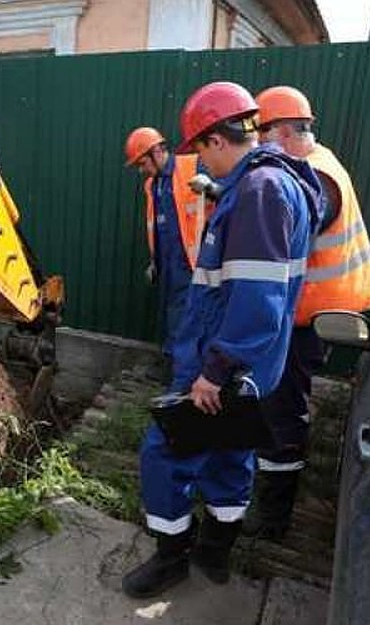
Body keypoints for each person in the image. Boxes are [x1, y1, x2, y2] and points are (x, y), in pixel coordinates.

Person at [122, 82, 324, 598]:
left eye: (200, 153)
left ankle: (172, 559)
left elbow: (257, 298)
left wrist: (214, 370)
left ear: (216, 138)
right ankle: (215, 554)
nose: (201, 166)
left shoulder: (258, 192)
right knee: (231, 454)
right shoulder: (272, 184)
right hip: (251, 366)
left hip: (222, 362)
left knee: (165, 453)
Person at [248, 85, 370, 539]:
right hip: (317, 313)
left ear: (283, 132)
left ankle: (272, 518)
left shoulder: (314, 179)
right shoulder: (318, 162)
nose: (255, 144)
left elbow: (292, 225)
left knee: (282, 411)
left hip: (311, 320)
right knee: (278, 404)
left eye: (260, 134)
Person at [124, 127, 202, 357]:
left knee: (186, 323)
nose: (142, 171)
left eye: (142, 163)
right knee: (172, 319)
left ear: (157, 152)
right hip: (168, 267)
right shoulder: (153, 186)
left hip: (191, 266)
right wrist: (154, 262)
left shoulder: (193, 167)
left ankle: (180, 381)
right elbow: (158, 227)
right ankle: (173, 368)